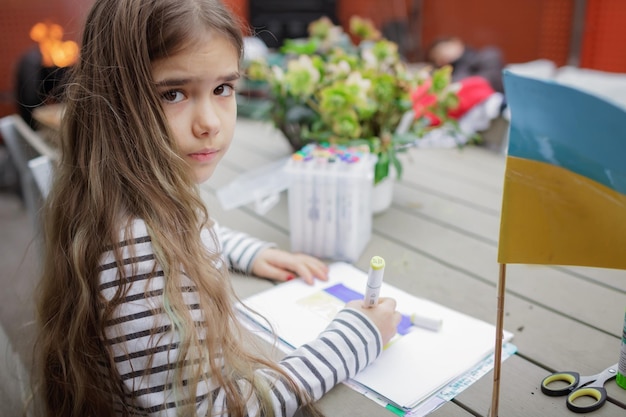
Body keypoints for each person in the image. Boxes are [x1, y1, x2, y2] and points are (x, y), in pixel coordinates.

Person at [33, 0, 401, 416]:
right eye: (173, 93)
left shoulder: (122, 195)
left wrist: (251, 252)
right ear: (113, 102)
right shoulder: (137, 252)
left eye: (223, 88)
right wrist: (357, 336)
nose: (210, 121)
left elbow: (184, 227)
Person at [426, 36, 505, 94]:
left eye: (443, 49)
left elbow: (488, 81)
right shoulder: (448, 74)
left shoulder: (488, 56)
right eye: (437, 57)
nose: (443, 55)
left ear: (456, 43)